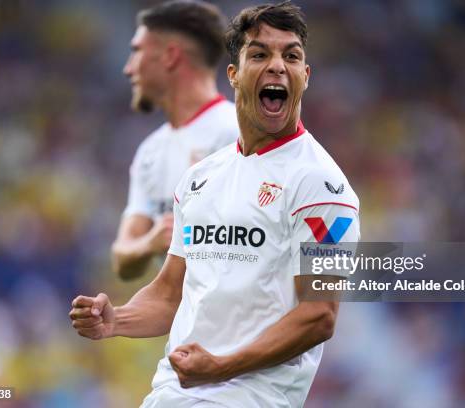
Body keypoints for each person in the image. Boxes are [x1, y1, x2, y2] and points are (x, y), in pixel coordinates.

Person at [70, 2, 360, 407]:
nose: (278, 66)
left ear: (305, 76)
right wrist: (117, 319)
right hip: (172, 392)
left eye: (291, 55)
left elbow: (320, 316)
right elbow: (171, 294)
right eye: (260, 54)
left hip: (249, 397)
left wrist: (222, 365)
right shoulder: (199, 180)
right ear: (234, 75)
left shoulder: (322, 185)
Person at [113, 0, 239, 280]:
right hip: (188, 319)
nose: (128, 68)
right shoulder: (150, 152)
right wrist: (151, 241)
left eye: (136, 52)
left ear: (170, 56)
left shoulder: (238, 134)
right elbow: (123, 259)